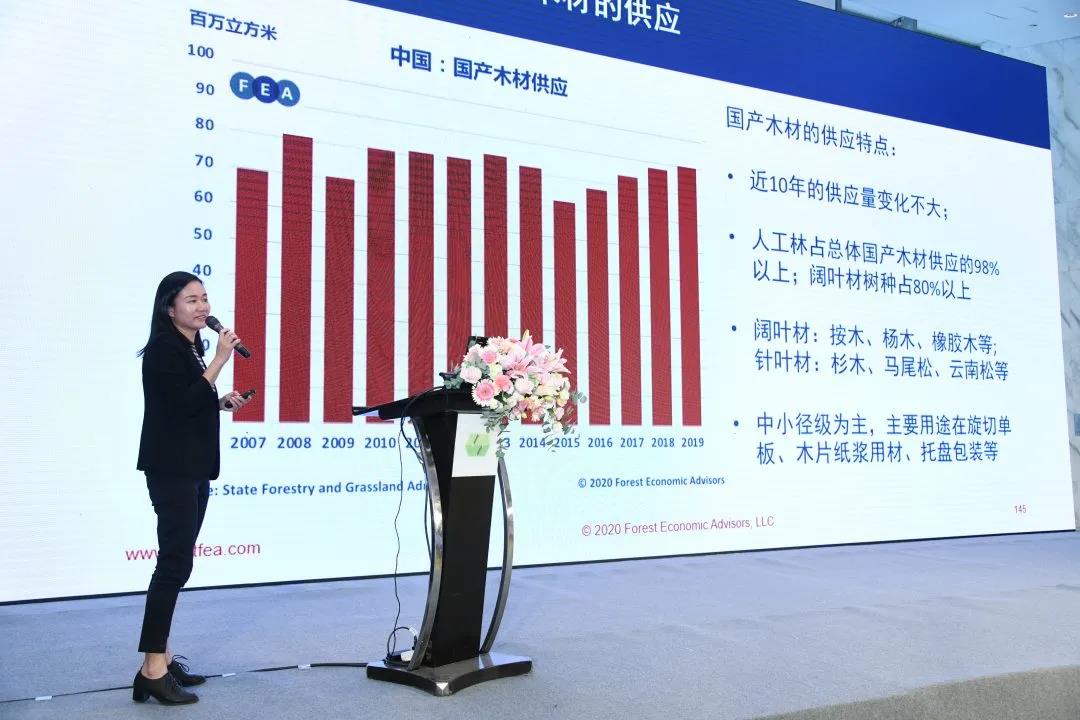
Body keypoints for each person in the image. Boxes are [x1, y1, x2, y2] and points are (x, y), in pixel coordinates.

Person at [132, 271, 250, 705]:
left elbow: (185, 405)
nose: (203, 307)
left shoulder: (191, 348)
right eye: (192, 300)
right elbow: (178, 404)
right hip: (172, 470)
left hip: (193, 467)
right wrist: (220, 360)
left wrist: (219, 402)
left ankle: (160, 659)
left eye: (205, 298)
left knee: (178, 564)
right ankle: (152, 670)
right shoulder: (163, 350)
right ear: (170, 308)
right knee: (173, 565)